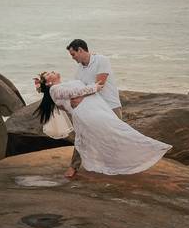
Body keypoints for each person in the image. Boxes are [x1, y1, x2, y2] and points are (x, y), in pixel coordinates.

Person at [33, 71, 171, 176]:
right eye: (48, 74)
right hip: (86, 113)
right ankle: (150, 148)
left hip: (90, 110)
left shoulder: (61, 86)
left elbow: (76, 95)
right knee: (116, 131)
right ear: (48, 82)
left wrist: (85, 93)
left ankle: (146, 150)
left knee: (113, 132)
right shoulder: (54, 89)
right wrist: (95, 87)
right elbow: (74, 93)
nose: (52, 72)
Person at [65, 39, 121, 177]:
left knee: (117, 136)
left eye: (73, 54)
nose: (72, 58)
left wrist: (80, 97)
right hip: (92, 108)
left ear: (81, 50)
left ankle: (119, 164)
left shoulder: (101, 60)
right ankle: (74, 166)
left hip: (110, 105)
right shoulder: (79, 71)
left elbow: (99, 83)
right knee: (82, 134)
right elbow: (77, 88)